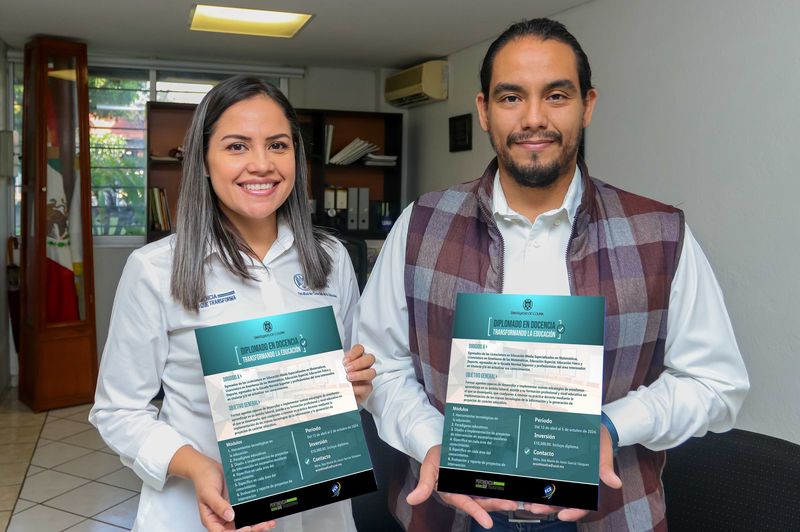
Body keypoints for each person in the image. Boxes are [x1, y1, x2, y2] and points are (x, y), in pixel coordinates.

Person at [356, 18, 748, 532]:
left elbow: (715, 384)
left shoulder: (660, 234)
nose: (534, 118)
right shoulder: (421, 225)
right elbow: (380, 367)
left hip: (609, 514)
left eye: (556, 95)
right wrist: (432, 441)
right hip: (451, 514)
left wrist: (612, 426)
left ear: (587, 106)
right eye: (511, 97)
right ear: (484, 111)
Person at [90, 76, 376, 532]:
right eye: (237, 147)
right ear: (204, 160)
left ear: (297, 158)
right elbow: (117, 411)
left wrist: (356, 387)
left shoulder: (332, 259)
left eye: (278, 145)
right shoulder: (154, 269)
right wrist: (197, 467)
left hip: (320, 510)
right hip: (201, 512)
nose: (261, 165)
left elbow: (350, 386)